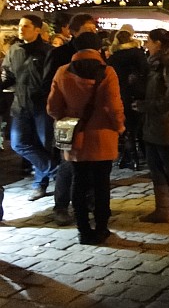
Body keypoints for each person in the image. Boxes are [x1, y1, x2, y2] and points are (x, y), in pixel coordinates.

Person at [47, 32, 125, 244]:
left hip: (76, 137)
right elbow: (113, 106)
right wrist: (120, 127)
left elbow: (53, 107)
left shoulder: (63, 72)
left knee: (78, 182)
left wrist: (68, 118)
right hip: (103, 135)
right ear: (99, 48)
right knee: (101, 183)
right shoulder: (107, 72)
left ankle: (83, 229)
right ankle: (101, 228)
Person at [42, 13, 98, 224]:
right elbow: (47, 86)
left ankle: (89, 201)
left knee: (92, 162)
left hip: (92, 119)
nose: (92, 33)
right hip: (69, 119)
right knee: (68, 164)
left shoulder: (97, 55)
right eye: (88, 30)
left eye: (93, 30)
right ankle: (62, 205)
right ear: (74, 31)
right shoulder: (61, 54)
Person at [132, 29, 169, 223]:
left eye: (148, 41)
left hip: (167, 124)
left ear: (158, 43)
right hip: (155, 124)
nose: (146, 45)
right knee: (155, 166)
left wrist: (146, 106)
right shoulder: (156, 65)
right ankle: (163, 209)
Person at [0, 15, 56, 202]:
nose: (21, 29)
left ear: (37, 29)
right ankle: (56, 169)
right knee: (18, 143)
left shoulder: (48, 52)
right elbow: (7, 75)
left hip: (42, 107)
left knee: (43, 144)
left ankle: (40, 183)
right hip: (20, 105)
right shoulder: (14, 50)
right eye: (20, 26)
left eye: (26, 26)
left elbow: (50, 81)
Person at [107, 26, 149, 171]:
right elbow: (145, 71)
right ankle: (137, 157)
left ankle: (132, 158)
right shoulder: (137, 53)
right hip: (137, 94)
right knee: (138, 127)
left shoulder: (114, 57)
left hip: (120, 93)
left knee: (127, 128)